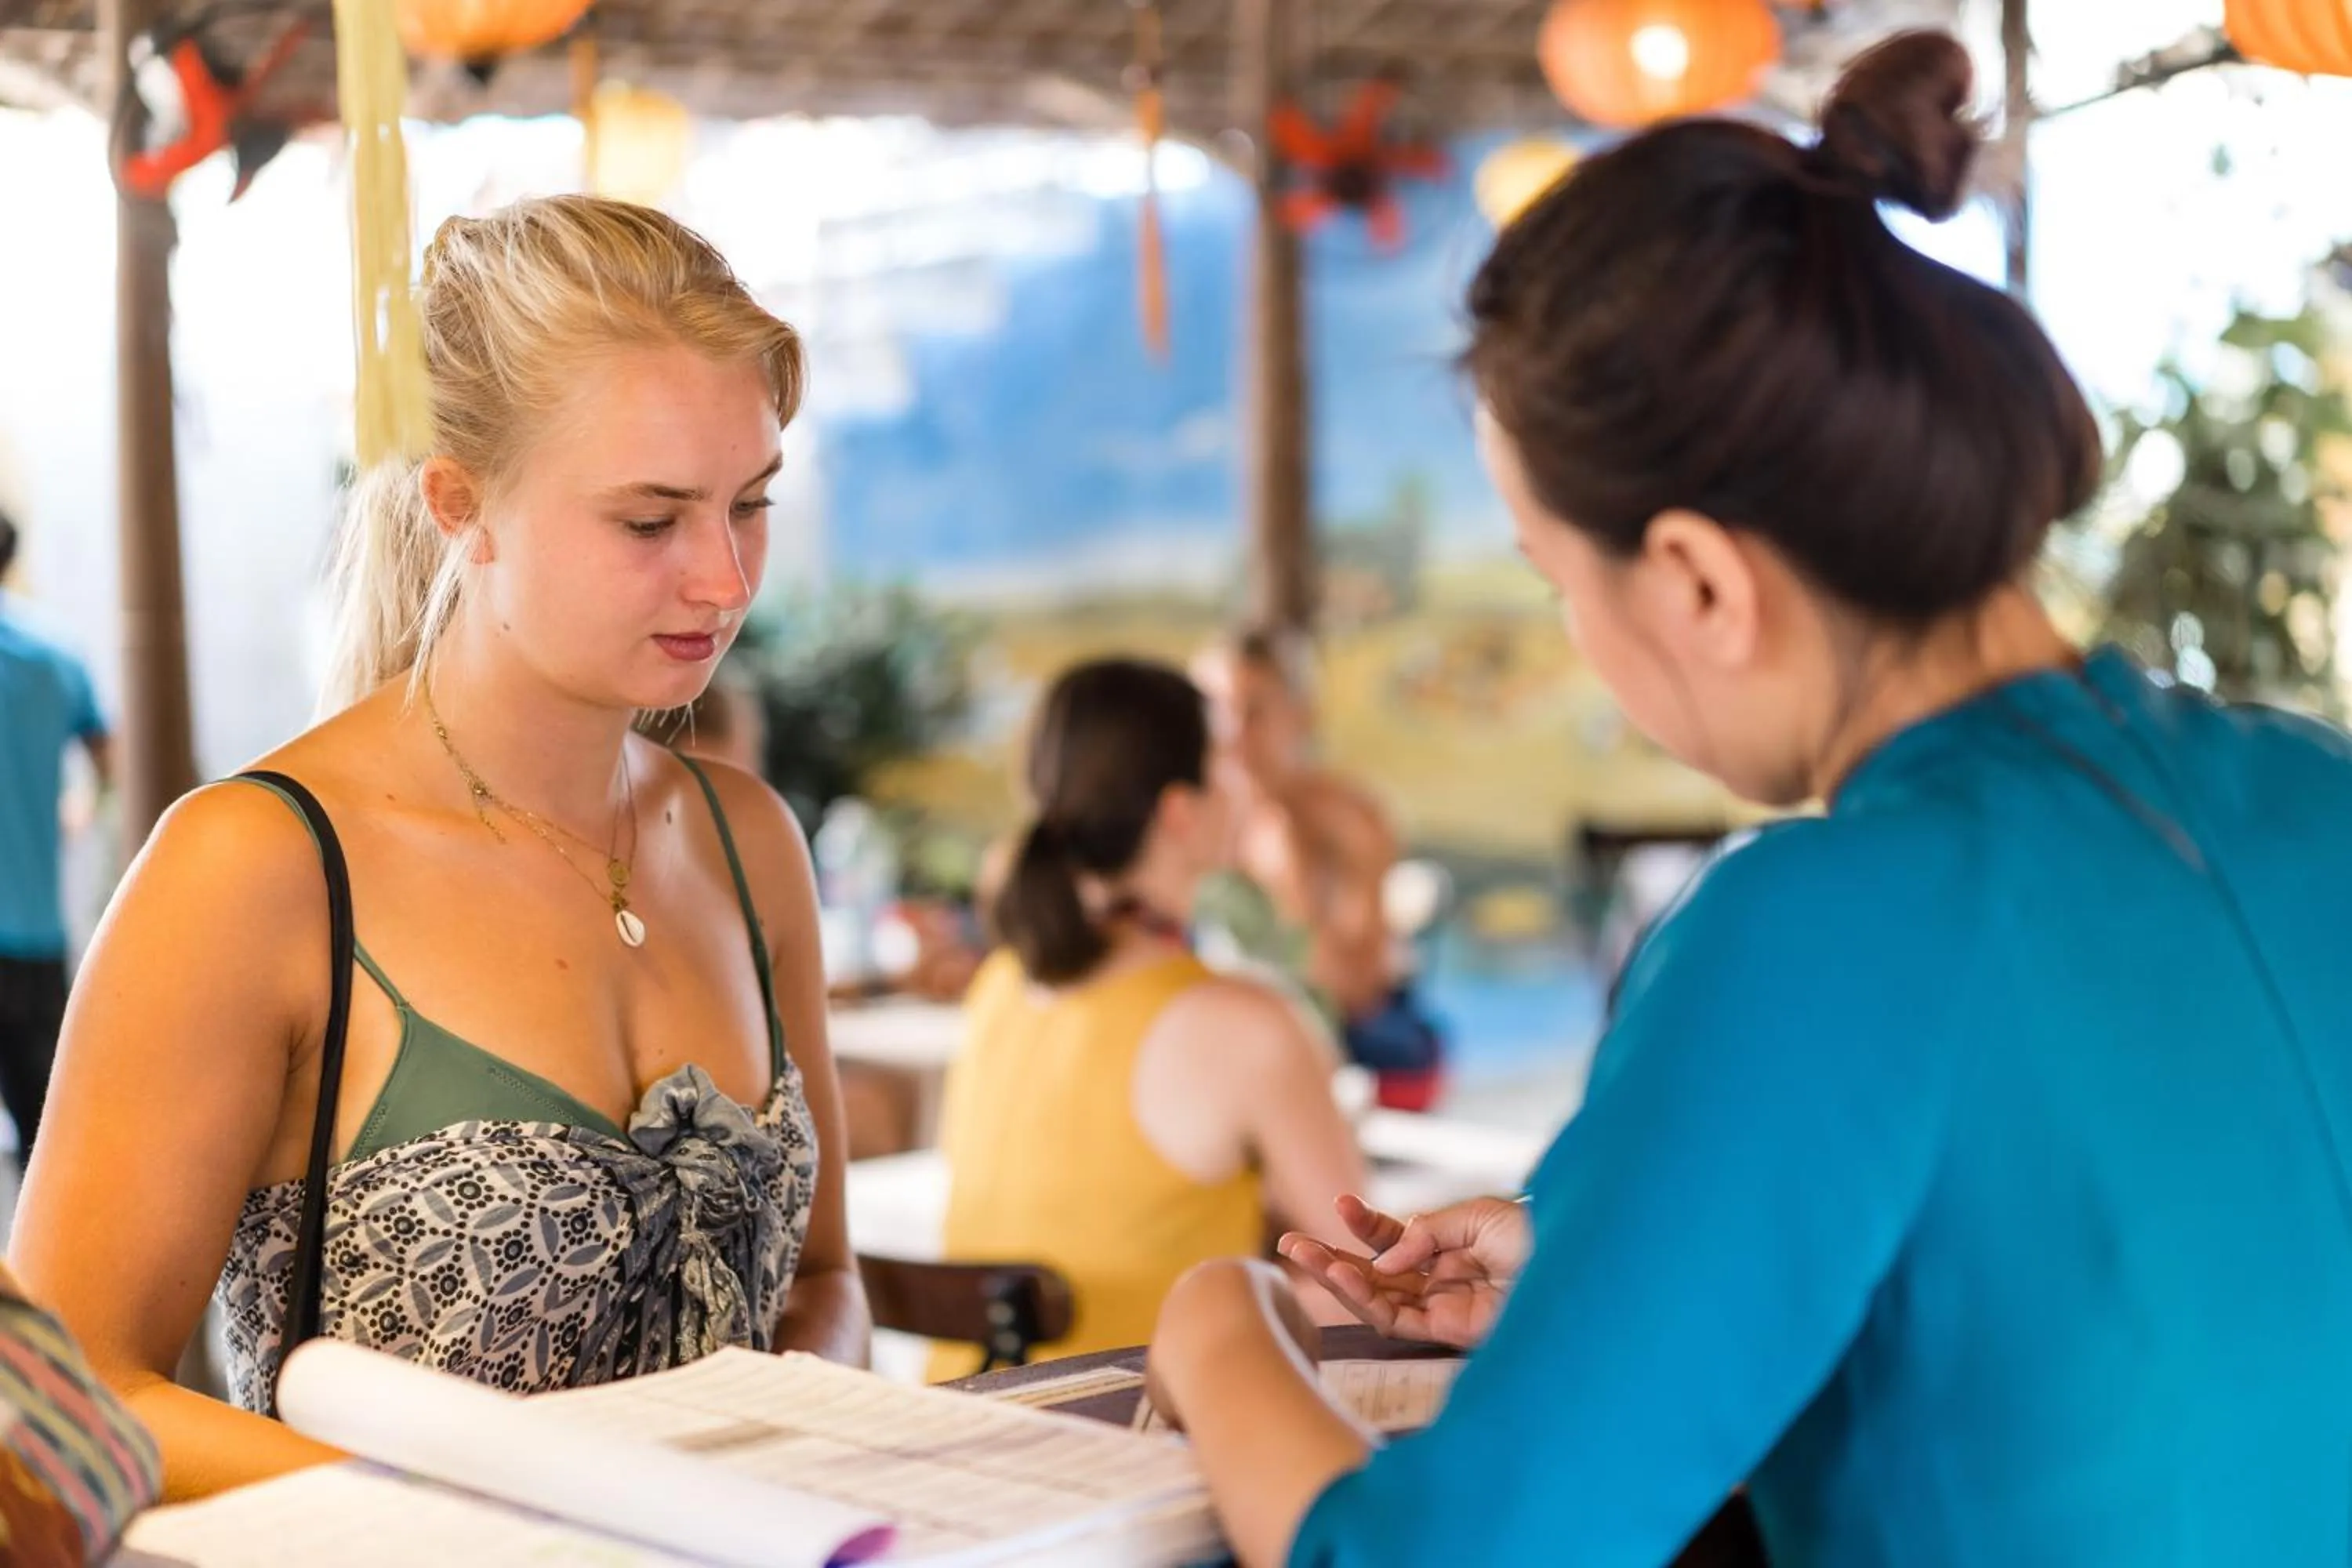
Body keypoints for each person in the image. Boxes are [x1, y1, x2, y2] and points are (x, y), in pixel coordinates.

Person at [1145, 31, 2352, 1568]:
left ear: (1702, 582)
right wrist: (1624, 1256)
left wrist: (1215, 1323)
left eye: (1557, 582)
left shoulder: (1823, 920)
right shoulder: (2313, 796)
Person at [9, 195, 868, 1501]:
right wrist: (488, 1522)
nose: (725, 579)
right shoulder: (259, 868)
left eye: (748, 504)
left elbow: (824, 1282)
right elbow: (60, 1399)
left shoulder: (750, 843)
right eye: (651, 522)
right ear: (462, 505)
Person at [932, 657, 1367, 1377]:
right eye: (1223, 761)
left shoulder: (1002, 982)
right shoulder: (1243, 1023)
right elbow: (1355, 1285)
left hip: (964, 1431)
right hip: (1125, 1445)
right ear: (1179, 810)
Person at [1190, 631, 1446, 1109]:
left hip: (1361, 1044)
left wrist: (1295, 887)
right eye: (1215, 711)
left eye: (1254, 711)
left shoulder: (1350, 821)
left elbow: (1359, 991)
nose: (1233, 734)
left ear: (1299, 714)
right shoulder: (1187, 823)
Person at [0, 510, 113, 1174]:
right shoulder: (54, 658)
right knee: (51, 1155)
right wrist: (79, 808)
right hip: (32, 938)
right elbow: (106, 760)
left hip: (31, 938)